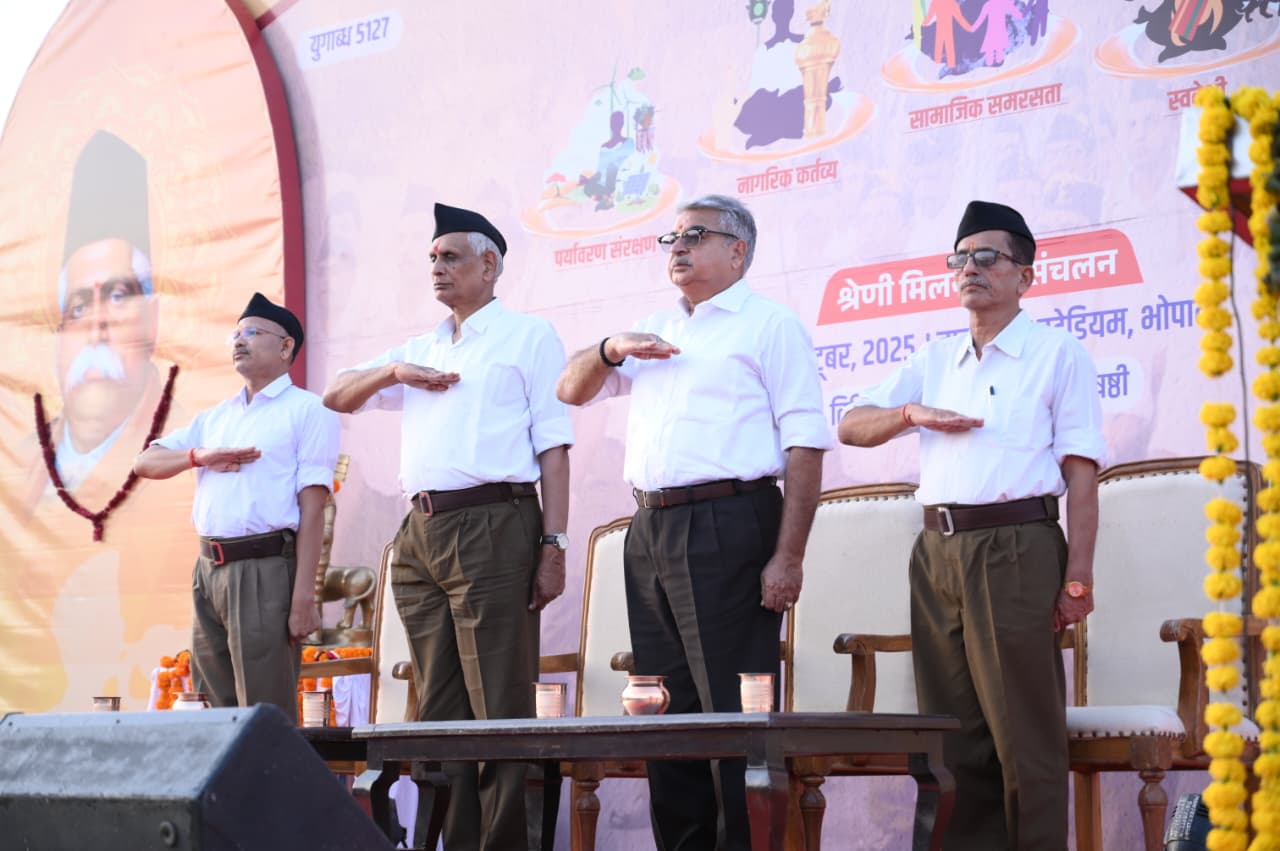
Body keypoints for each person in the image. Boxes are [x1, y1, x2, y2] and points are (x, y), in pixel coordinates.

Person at [556, 194, 830, 851]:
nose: (676, 247)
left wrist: (788, 556)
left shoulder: (770, 325)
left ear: (737, 250)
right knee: (665, 714)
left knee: (732, 718)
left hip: (729, 523)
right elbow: (570, 389)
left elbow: (805, 446)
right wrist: (609, 348)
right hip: (649, 530)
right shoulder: (651, 328)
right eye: (671, 238)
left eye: (694, 236)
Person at [837, 200, 1105, 850]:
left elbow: (1081, 473)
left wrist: (1077, 578)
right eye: (960, 257)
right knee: (951, 738)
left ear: (1025, 275)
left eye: (988, 256)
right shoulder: (935, 358)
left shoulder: (1055, 352)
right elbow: (850, 424)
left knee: (1024, 736)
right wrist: (910, 413)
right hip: (936, 553)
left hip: (1016, 548)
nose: (970, 268)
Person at [322, 203, 572, 851]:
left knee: (499, 705)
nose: (437, 267)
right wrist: (393, 372)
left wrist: (554, 543)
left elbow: (554, 448)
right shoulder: (421, 348)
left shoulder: (527, 336)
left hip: (495, 522)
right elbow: (337, 394)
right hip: (421, 533)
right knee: (440, 709)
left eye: (451, 256)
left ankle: (504, 843)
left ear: (490, 265)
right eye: (432, 257)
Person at [134, 293, 339, 716]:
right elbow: (145, 463)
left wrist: (305, 597)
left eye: (253, 332)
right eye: (236, 334)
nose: (239, 341)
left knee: (264, 710)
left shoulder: (308, 410)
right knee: (214, 709)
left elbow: (314, 508)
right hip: (208, 569)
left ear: (286, 347)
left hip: (264, 569)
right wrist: (199, 456)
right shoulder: (215, 418)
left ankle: (269, 765)